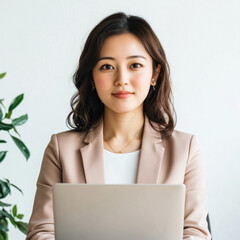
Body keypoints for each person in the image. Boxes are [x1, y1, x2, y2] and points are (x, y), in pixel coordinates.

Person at [26, 12, 211, 240]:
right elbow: (41, 232)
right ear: (92, 77)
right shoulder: (61, 148)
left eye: (135, 65)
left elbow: (195, 233)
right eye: (107, 66)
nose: (121, 79)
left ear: (155, 74)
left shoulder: (185, 149)